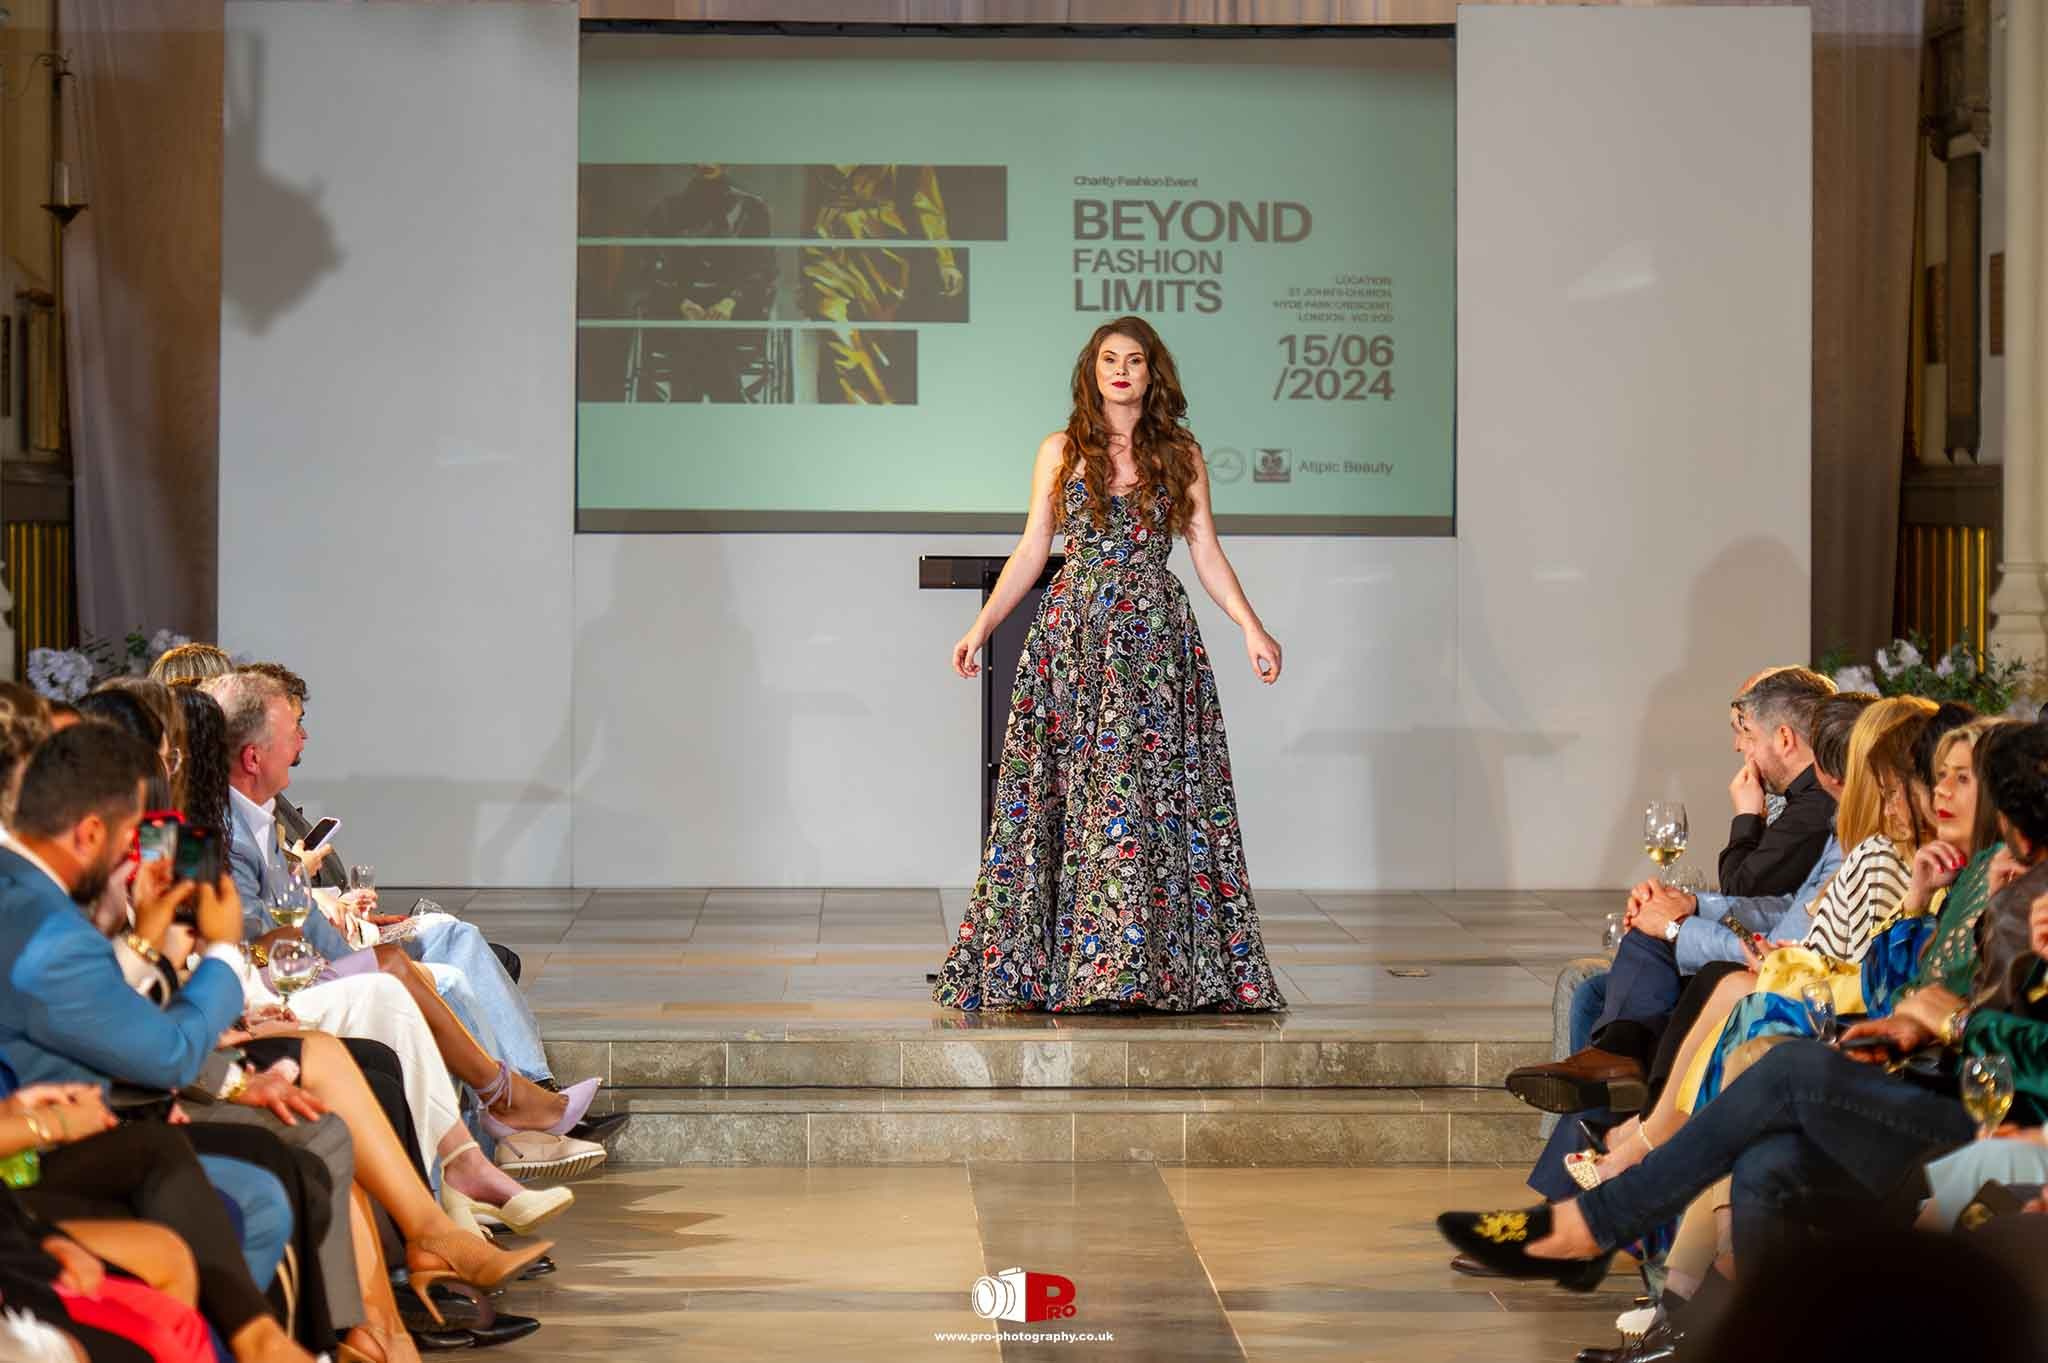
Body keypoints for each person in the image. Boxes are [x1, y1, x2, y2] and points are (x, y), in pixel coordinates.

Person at [931, 316, 1285, 1013]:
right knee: (1074, 799)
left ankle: (1141, 969)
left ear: (1153, 374)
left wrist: (1252, 626)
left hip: (1155, 646)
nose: (1121, 369)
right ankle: (1079, 969)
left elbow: (1206, 550)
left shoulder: (1180, 454)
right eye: (1109, 359)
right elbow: (1033, 547)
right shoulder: (1060, 451)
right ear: (1092, 372)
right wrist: (980, 625)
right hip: (1076, 643)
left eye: (1135, 360)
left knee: (1149, 801)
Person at [1506, 667, 1839, 1115]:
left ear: (1782, 737)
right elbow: (1762, 899)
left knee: (1619, 973)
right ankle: (1593, 1136)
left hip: (1772, 971)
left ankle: (1603, 1143)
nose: (1738, 747)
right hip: (1757, 946)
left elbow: (1748, 888)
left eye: (1744, 731)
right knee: (1593, 988)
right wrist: (1688, 906)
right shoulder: (1798, 799)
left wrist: (1744, 821)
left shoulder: (1819, 807)